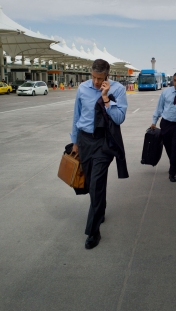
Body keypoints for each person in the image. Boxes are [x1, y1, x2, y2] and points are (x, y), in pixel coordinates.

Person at [71, 59, 129, 249]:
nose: (96, 82)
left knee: (96, 184)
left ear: (107, 75)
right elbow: (77, 116)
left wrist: (106, 98)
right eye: (94, 77)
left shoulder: (118, 90)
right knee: (92, 183)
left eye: (100, 78)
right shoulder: (83, 88)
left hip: (104, 142)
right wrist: (75, 142)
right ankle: (100, 209)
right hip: (85, 140)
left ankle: (93, 232)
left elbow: (119, 118)